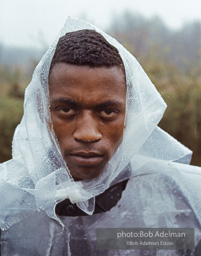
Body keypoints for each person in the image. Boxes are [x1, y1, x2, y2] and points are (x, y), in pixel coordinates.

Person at [0, 17, 201, 256]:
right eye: (66, 109)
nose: (87, 133)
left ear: (130, 115)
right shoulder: (6, 204)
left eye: (107, 112)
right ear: (41, 109)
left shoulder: (186, 200)